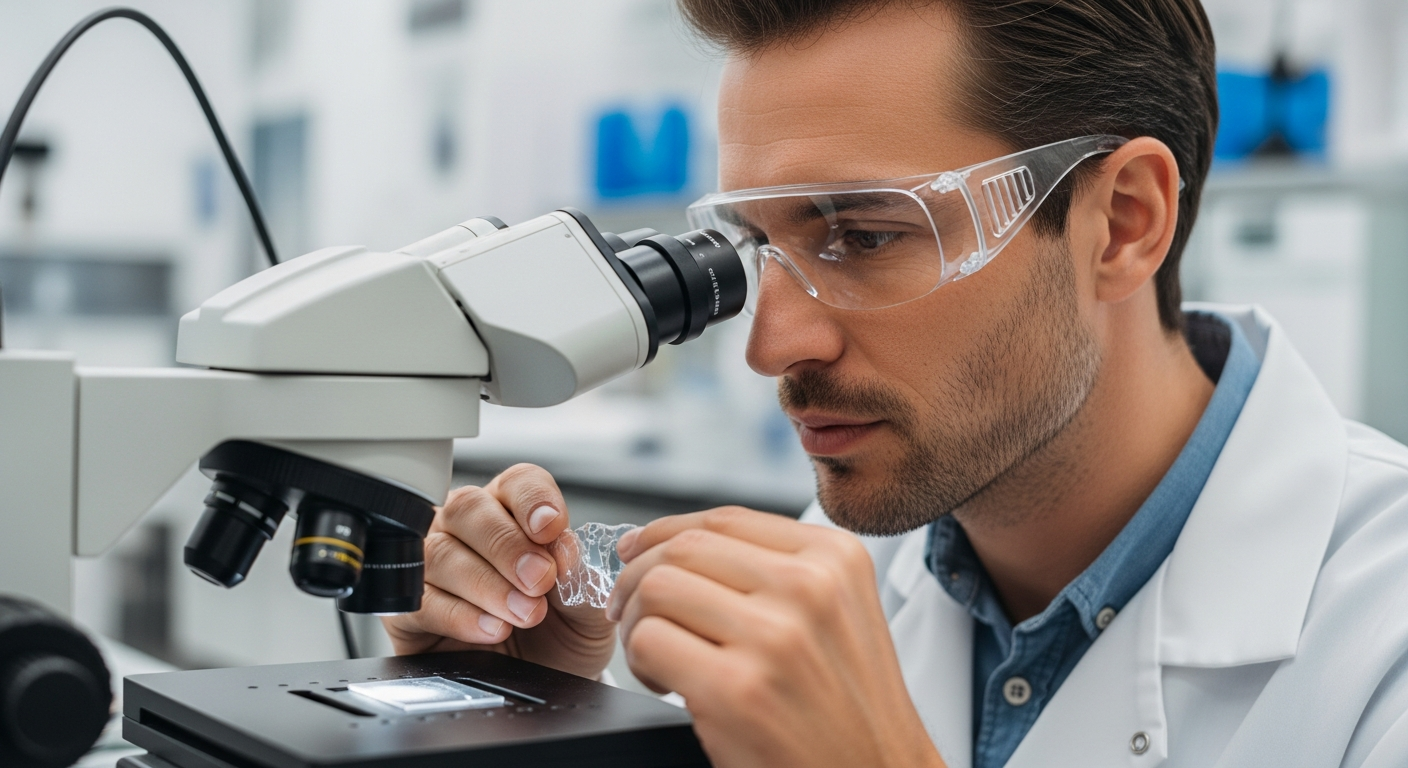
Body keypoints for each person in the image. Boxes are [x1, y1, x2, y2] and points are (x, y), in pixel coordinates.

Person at [383, 1, 1408, 766]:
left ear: (1123, 222)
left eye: (864, 236)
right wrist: (551, 717)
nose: (770, 346)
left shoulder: (1380, 640)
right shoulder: (855, 558)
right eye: (758, 248)